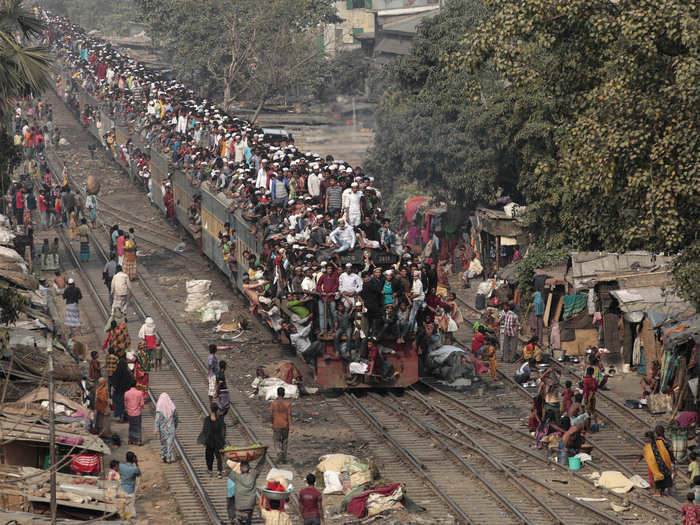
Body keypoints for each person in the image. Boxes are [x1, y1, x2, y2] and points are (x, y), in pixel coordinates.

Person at [227, 448, 268, 525]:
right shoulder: (253, 475)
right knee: (248, 521)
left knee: (240, 521)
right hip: (250, 505)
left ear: (240, 468)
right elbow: (260, 465)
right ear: (249, 468)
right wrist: (264, 455)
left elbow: (227, 470)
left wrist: (223, 458)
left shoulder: (236, 477)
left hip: (239, 505)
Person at [635, 430, 674, 497]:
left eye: (646, 438)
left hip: (656, 464)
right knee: (665, 476)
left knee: (658, 478)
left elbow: (644, 454)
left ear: (649, 438)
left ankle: (658, 493)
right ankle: (665, 491)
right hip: (664, 463)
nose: (646, 439)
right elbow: (668, 445)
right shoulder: (660, 442)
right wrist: (663, 439)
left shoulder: (648, 446)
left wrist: (637, 461)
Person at [198, 403, 225, 478]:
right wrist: (223, 441)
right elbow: (223, 430)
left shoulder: (207, 419)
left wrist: (204, 441)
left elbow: (205, 430)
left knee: (209, 456)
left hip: (209, 441)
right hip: (218, 440)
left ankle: (210, 470)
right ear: (217, 410)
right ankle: (219, 472)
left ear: (211, 409)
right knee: (219, 456)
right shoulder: (220, 419)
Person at [270, 387, 293, 463]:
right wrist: (291, 425)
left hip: (276, 424)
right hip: (285, 425)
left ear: (277, 393)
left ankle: (279, 451)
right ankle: (284, 459)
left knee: (277, 440)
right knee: (285, 441)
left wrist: (272, 423)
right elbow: (289, 415)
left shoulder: (273, 403)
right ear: (284, 394)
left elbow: (271, 415)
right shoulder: (287, 404)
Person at [154, 392, 178, 463]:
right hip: (171, 428)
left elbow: (157, 420)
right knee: (170, 443)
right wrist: (175, 425)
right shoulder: (173, 407)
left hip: (162, 429)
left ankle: (164, 456)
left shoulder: (159, 409)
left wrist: (156, 429)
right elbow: (176, 417)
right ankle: (168, 457)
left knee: (164, 443)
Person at [124, 380, 144, 445]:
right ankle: (138, 441)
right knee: (138, 427)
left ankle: (131, 440)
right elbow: (142, 404)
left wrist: (127, 410)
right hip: (137, 412)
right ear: (135, 385)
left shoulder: (126, 393)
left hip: (129, 413)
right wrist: (140, 408)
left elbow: (125, 404)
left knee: (131, 426)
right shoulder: (140, 393)